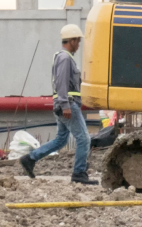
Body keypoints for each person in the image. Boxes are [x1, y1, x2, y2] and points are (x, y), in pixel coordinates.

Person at [20, 24, 96, 185]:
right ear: (72, 40)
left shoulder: (63, 57)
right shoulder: (65, 58)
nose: (79, 44)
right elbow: (61, 83)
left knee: (61, 140)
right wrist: (65, 105)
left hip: (63, 104)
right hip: (67, 105)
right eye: (78, 41)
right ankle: (79, 173)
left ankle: (30, 158)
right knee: (84, 139)